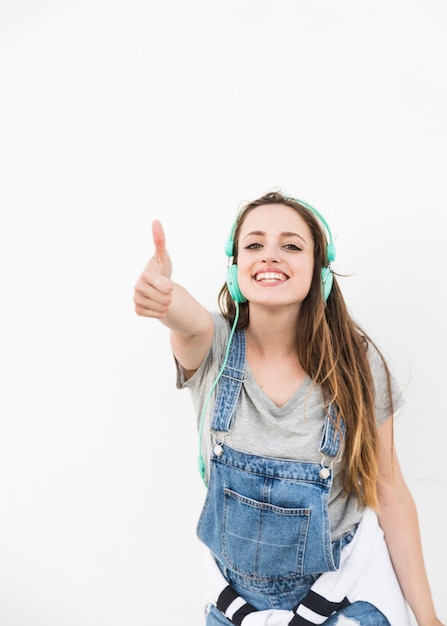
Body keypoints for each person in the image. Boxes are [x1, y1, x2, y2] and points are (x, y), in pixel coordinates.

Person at [134, 191, 444, 626]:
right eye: (254, 244)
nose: (270, 256)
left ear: (321, 270)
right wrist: (167, 298)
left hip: (342, 599)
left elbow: (390, 496)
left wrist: (429, 620)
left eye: (292, 245)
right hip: (235, 608)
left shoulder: (357, 365)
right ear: (234, 265)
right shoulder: (214, 348)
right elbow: (188, 320)